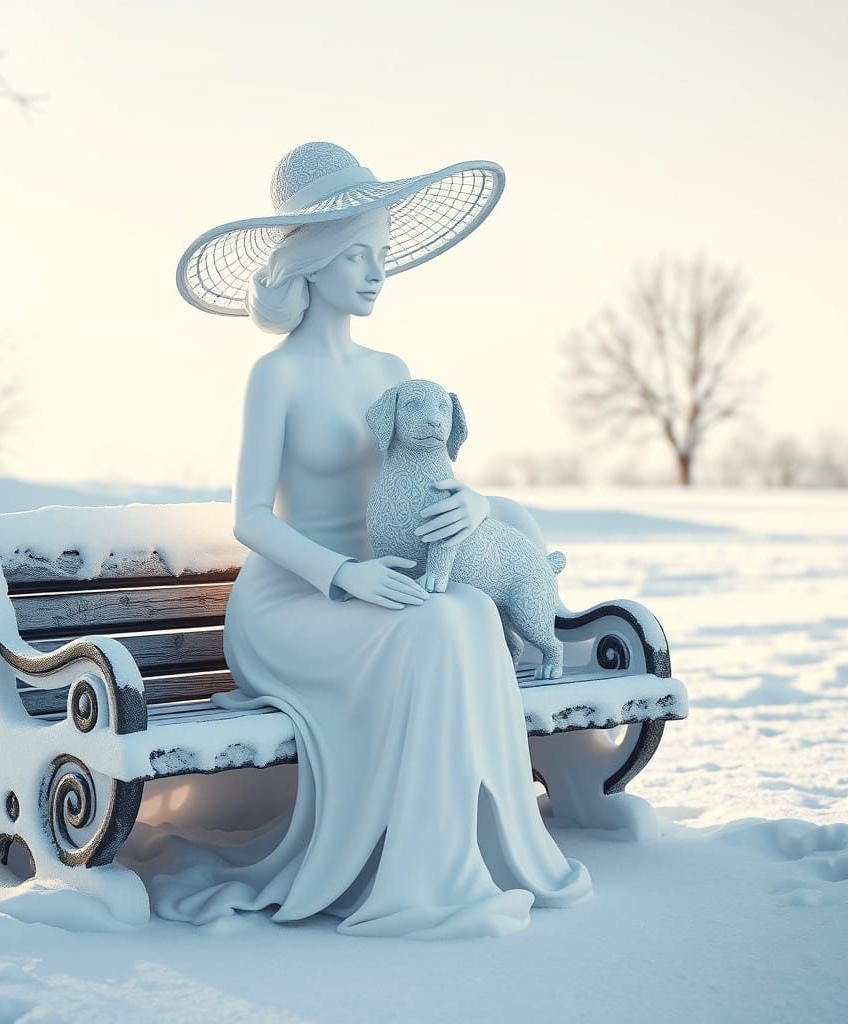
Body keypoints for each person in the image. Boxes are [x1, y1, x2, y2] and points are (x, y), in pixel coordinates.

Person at [154, 141, 592, 939]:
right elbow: (250, 518)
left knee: (461, 611)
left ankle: (480, 848)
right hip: (296, 601)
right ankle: (414, 874)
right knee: (435, 622)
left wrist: (473, 505)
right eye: (358, 253)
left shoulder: (392, 366)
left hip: (387, 585)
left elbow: (432, 474)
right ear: (312, 262)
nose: (376, 270)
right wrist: (342, 577)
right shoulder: (275, 375)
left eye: (382, 253)